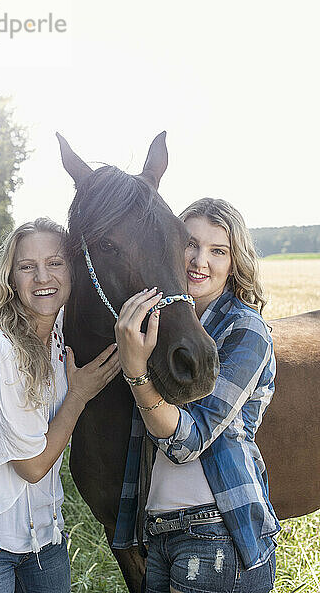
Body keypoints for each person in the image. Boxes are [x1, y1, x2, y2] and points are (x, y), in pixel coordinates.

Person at [0, 217, 120, 593]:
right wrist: (78, 395)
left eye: (55, 263)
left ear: (73, 270)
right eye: (27, 267)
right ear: (11, 278)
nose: (42, 277)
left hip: (43, 538)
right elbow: (32, 467)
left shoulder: (60, 336)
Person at [114, 198, 280, 593]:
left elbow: (186, 442)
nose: (199, 260)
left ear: (233, 261)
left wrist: (136, 372)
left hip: (218, 531)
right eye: (190, 244)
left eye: (217, 250)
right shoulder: (159, 327)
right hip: (160, 533)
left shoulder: (246, 331)